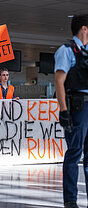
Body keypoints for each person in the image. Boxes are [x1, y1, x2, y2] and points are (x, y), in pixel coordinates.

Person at [54, 14, 88, 208]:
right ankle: (70, 200)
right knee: (75, 153)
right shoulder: (66, 51)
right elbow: (59, 80)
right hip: (78, 105)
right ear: (84, 28)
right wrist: (63, 110)